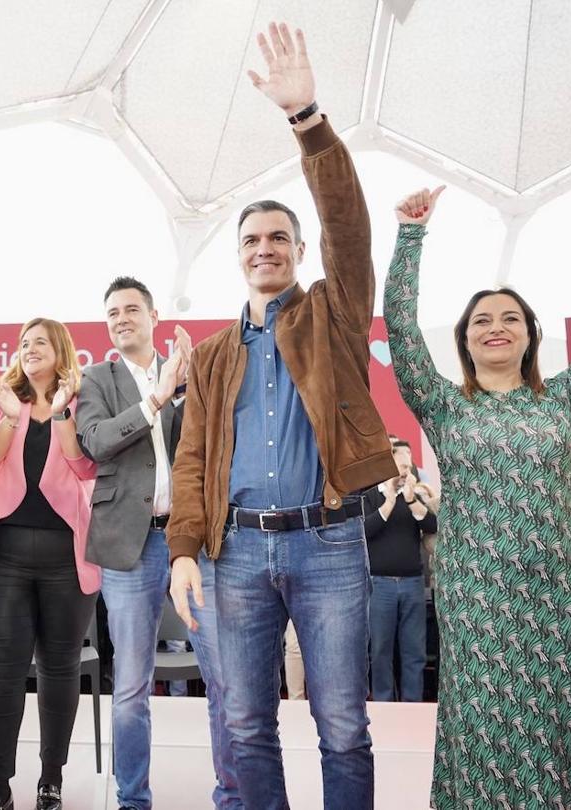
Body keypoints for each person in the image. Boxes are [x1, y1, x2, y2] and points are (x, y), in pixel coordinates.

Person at [167, 24, 399, 809]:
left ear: (298, 250)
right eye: (252, 240)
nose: (264, 248)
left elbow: (350, 227)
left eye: (278, 238)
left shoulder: (334, 313)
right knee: (243, 722)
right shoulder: (210, 356)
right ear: (238, 256)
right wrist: (185, 551)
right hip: (236, 555)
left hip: (330, 544)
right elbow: (194, 459)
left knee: (341, 724)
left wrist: (308, 119)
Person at [383, 165, 571, 808]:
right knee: (485, 729)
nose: (495, 325)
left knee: (567, 725)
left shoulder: (565, 400)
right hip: (479, 601)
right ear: (465, 338)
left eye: (509, 317)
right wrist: (411, 237)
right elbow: (398, 324)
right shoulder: (444, 407)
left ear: (530, 335)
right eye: (481, 319)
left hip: (560, 600)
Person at [76, 276, 241, 810]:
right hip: (127, 548)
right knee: (130, 686)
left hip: (191, 543)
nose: (121, 318)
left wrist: (186, 388)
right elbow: (97, 442)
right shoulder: (95, 379)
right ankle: (133, 799)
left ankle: (234, 795)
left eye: (130, 309)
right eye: (112, 313)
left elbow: (214, 441)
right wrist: (157, 395)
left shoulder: (188, 374)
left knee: (223, 677)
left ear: (153, 316)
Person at [0, 318, 99, 810]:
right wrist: (6, 416)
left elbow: (85, 465)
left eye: (40, 342)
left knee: (60, 669)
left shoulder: (83, 403)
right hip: (4, 556)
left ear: (61, 350)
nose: (29, 349)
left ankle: (51, 780)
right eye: (24, 343)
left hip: (68, 557)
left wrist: (61, 412)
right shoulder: (2, 400)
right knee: (0, 671)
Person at [363, 442, 437, 702]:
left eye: (407, 466)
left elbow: (431, 524)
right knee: (381, 650)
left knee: (413, 651)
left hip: (412, 584)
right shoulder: (371, 496)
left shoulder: (413, 496)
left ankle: (413, 705)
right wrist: (390, 500)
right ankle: (383, 704)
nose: (404, 472)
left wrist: (409, 499)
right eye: (399, 466)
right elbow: (366, 530)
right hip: (379, 584)